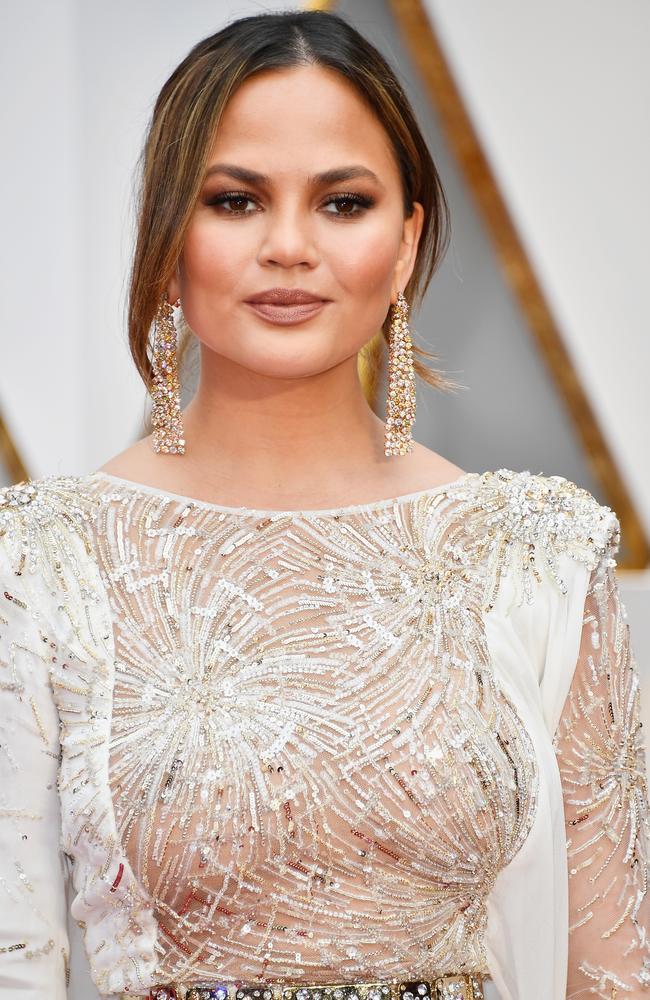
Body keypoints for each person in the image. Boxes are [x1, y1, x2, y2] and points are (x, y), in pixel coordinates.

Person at [0, 10, 648, 1000]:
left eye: (342, 203)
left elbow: (609, 970)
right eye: (235, 200)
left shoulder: (536, 555)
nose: (290, 246)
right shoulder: (45, 561)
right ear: (167, 232)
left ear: (405, 242)